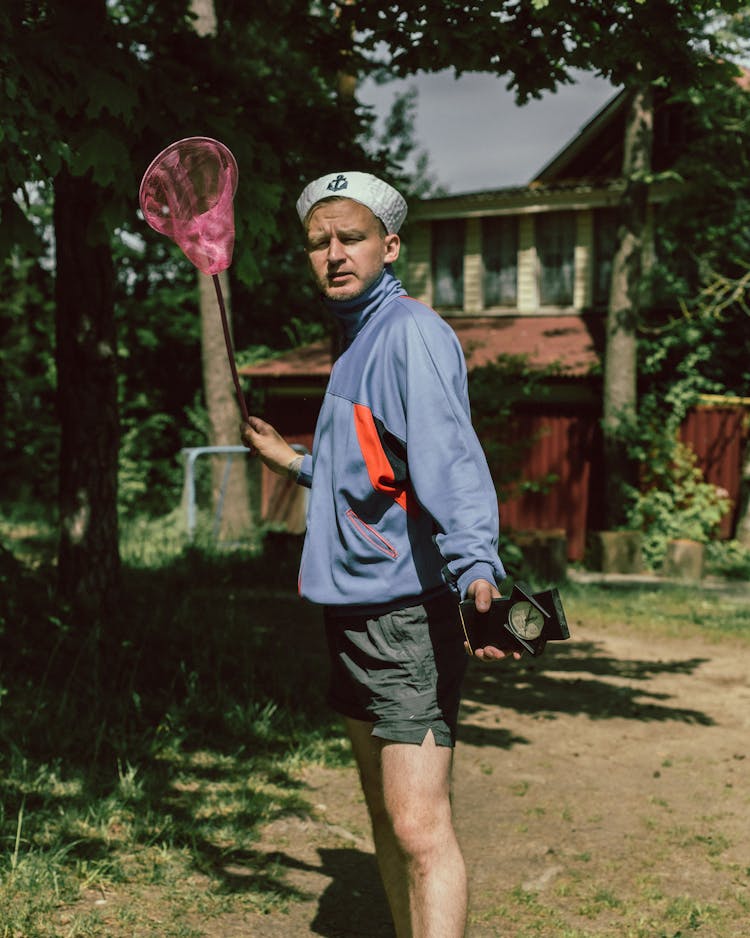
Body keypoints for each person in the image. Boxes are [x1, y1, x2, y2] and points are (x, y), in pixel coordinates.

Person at [241, 171, 518, 938]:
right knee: (386, 818)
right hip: (352, 615)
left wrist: (475, 568)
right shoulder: (358, 342)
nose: (333, 253)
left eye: (350, 236)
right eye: (318, 241)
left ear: (389, 245)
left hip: (405, 619)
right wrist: (295, 463)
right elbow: (373, 471)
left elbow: (449, 458)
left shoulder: (408, 334)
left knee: (418, 829)